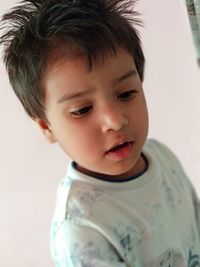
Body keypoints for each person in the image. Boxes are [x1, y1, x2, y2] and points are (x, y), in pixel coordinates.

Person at [0, 0, 199, 266]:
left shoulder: (161, 156)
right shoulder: (81, 231)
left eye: (126, 93)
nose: (115, 121)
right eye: (82, 109)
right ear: (47, 127)